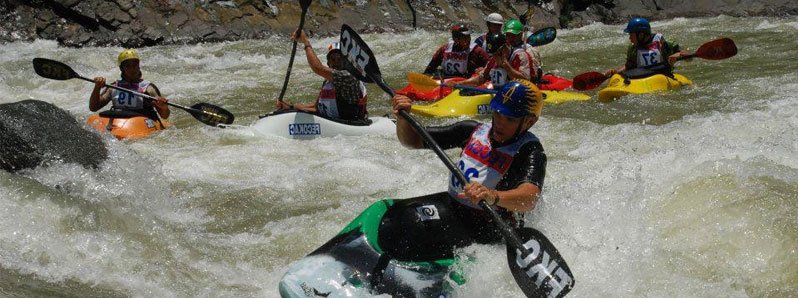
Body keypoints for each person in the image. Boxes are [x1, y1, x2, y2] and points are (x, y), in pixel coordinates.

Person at [387, 79, 546, 248]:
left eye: (509, 119)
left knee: (411, 229)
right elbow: (412, 141)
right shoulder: (472, 130)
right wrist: (403, 118)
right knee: (398, 215)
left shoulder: (530, 151)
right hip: (454, 208)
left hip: (489, 226)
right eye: (497, 113)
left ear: (529, 122)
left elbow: (529, 198)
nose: (500, 122)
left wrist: (492, 196)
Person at [275, 29, 368, 122]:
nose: (336, 62)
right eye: (333, 59)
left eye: (340, 58)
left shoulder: (348, 77)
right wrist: (289, 107)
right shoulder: (329, 81)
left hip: (349, 126)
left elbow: (318, 68)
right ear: (328, 63)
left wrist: (306, 42)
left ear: (347, 61)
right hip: (333, 124)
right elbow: (316, 108)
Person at [459, 19, 541, 89]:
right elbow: (481, 78)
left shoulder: (521, 55)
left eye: (513, 36)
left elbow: (525, 82)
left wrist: (506, 66)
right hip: (501, 92)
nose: (495, 55)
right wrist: (460, 84)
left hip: (519, 92)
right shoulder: (495, 57)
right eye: (508, 35)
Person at [90, 49, 170, 120]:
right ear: (122, 68)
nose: (132, 69)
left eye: (134, 65)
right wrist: (97, 87)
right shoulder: (113, 87)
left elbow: (164, 116)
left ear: (138, 66)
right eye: (128, 66)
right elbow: (94, 107)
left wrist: (164, 107)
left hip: (141, 123)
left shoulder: (148, 88)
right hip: (119, 123)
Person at [605, 17, 689, 77]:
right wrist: (615, 71)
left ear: (641, 35)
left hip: (662, 75)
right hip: (642, 77)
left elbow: (685, 56)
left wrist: (681, 54)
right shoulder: (633, 48)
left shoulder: (662, 41)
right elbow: (629, 67)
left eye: (631, 35)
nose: (630, 38)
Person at [422, 24, 490, 78]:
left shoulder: (477, 51)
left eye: (468, 36)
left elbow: (490, 66)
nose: (468, 40)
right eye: (464, 38)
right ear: (455, 39)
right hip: (447, 80)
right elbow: (430, 69)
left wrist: (483, 69)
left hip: (466, 81)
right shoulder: (444, 49)